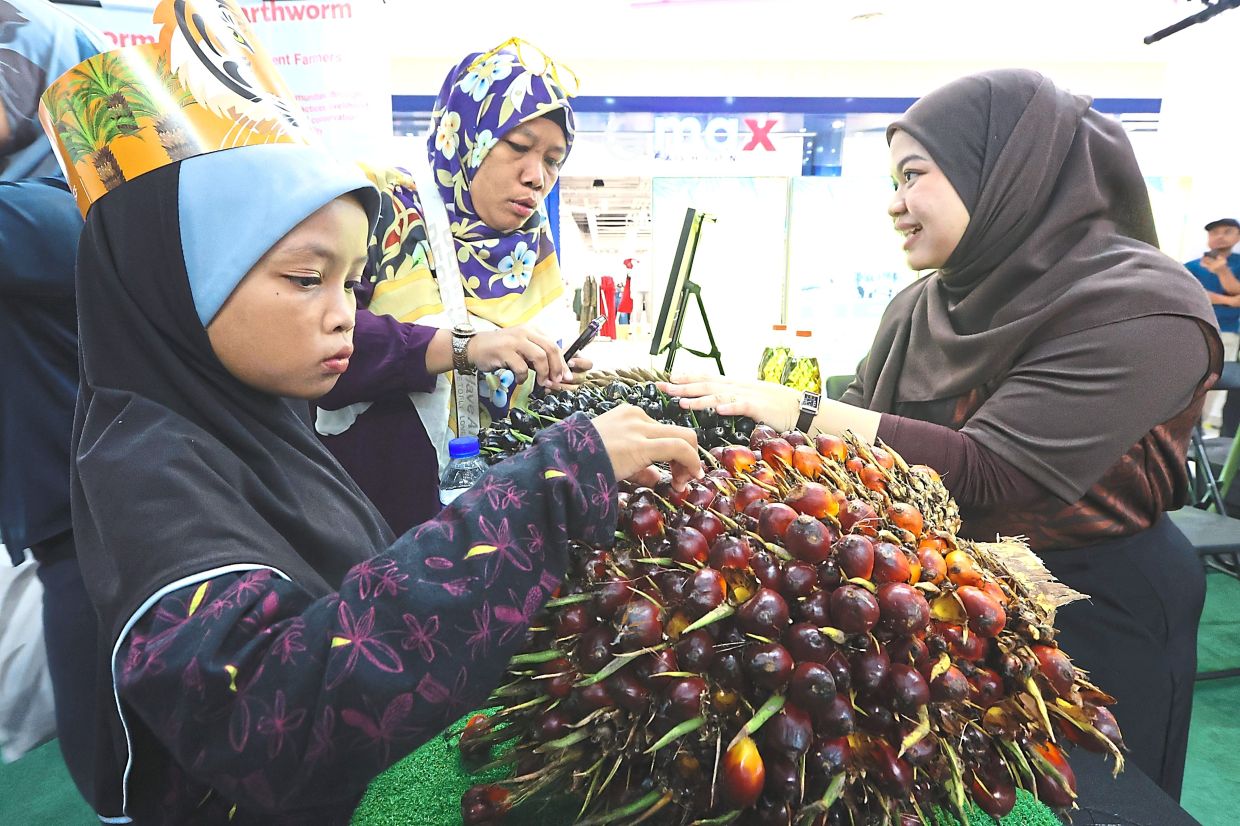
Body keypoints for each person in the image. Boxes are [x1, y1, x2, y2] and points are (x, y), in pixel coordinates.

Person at [65, 136, 700, 823]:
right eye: (309, 279)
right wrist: (545, 487)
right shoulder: (150, 474)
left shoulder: (247, 410)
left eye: (350, 282)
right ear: (179, 283)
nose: (343, 313)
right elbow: (269, 717)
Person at [661, 69, 1220, 801]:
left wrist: (791, 406)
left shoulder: (1145, 310)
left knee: (1098, 794)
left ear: (1008, 175)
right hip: (934, 599)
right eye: (892, 180)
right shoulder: (920, 306)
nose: (895, 204)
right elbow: (852, 446)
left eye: (914, 175)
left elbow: (993, 475)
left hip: (1097, 606)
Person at [316, 41, 585, 535]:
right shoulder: (383, 208)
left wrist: (551, 366)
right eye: (520, 146)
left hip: (503, 524)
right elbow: (315, 339)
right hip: (381, 520)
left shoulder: (534, 249)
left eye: (553, 160)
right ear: (470, 137)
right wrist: (462, 348)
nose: (536, 177)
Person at [0, 0, 117, 805]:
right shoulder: (82, 199)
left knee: (100, 742)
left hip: (80, 509)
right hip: (77, 500)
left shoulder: (38, 212)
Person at [1185, 217, 1240, 435]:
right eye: (1214, 232)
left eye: (1227, 231)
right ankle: (1188, 427)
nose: (1219, 236)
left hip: (1228, 332)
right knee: (1191, 378)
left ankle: (1206, 429)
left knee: (1220, 381)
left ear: (1237, 236)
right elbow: (1189, 293)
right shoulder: (1190, 266)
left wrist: (1222, 272)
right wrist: (1230, 300)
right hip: (1195, 329)